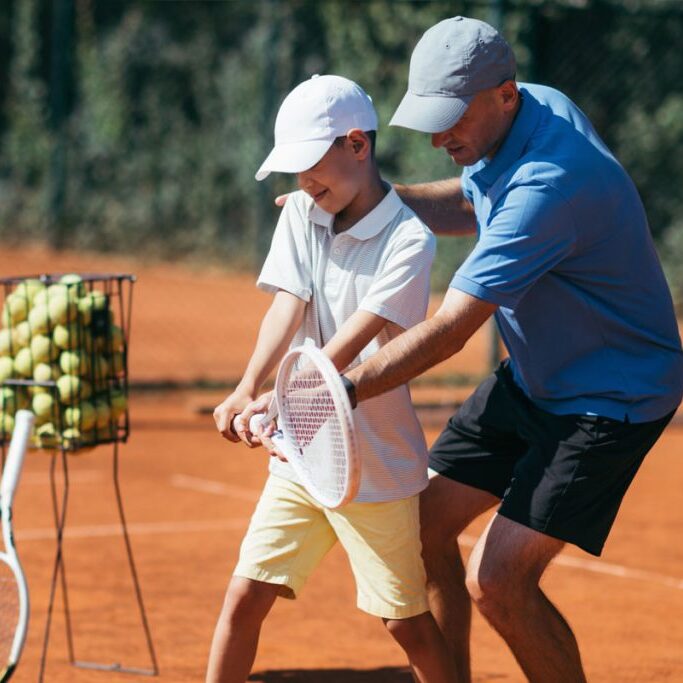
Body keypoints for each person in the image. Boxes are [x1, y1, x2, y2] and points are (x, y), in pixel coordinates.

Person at [328, 16, 683, 683]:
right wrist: (364, 203)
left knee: (497, 581)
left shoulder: (550, 182)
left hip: (610, 399)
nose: (437, 137)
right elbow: (469, 206)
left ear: (504, 94)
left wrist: (342, 385)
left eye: (450, 119)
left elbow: (453, 327)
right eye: (429, 119)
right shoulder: (530, 110)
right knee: (423, 527)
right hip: (536, 374)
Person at [206, 74, 458, 683]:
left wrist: (289, 396)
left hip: (377, 464)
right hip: (300, 457)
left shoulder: (408, 239)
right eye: (295, 172)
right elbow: (287, 304)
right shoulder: (301, 211)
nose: (303, 183)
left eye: (311, 166)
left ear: (357, 145)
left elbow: (349, 344)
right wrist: (247, 387)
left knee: (405, 624)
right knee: (245, 596)